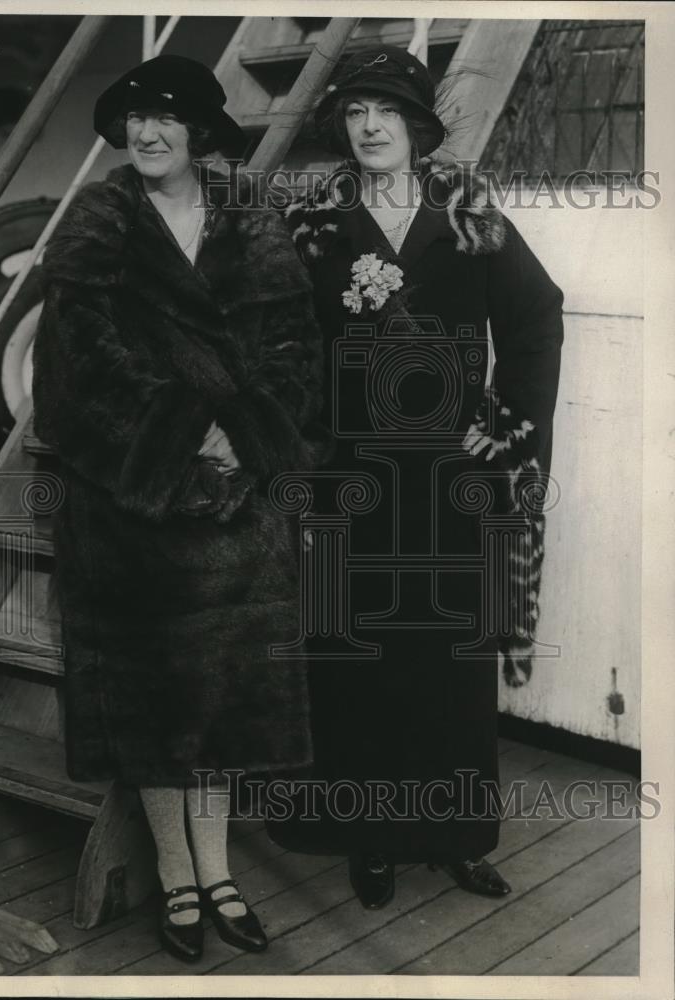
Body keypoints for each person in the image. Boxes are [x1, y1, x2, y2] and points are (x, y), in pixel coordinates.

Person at [32, 54, 323, 963]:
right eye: (134, 119)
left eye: (167, 117)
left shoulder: (250, 222)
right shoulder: (97, 223)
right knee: (158, 706)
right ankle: (178, 877)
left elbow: (294, 351)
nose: (148, 133)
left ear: (200, 131)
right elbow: (74, 371)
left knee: (224, 703)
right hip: (137, 506)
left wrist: (247, 438)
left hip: (241, 508)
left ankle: (220, 869)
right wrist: (181, 439)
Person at [266, 46, 564, 910]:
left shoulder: (466, 210)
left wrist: (504, 422)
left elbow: (536, 316)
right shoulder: (314, 220)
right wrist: (304, 436)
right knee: (356, 660)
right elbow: (280, 338)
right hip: (349, 478)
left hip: (449, 481)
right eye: (355, 113)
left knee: (446, 658)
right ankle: (370, 837)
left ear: (417, 124)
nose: (368, 128)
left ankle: (455, 835)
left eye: (385, 112)